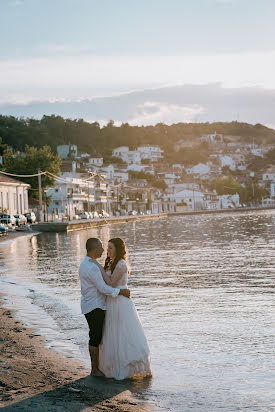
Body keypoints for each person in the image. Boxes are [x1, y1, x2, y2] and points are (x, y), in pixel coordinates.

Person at [90, 237, 152, 380]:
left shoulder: (122, 264)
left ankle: (128, 366)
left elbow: (111, 282)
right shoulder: (112, 263)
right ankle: (114, 366)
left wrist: (98, 267)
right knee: (114, 334)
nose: (107, 250)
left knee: (123, 334)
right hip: (113, 301)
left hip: (121, 303)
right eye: (107, 247)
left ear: (118, 249)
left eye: (110, 247)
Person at [79, 237, 130, 376]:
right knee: (96, 337)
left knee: (102, 336)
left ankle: (101, 366)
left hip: (90, 304)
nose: (103, 250)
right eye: (101, 247)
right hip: (95, 306)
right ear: (94, 249)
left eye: (107, 248)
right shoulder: (92, 267)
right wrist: (121, 292)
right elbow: (103, 288)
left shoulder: (85, 264)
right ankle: (95, 369)